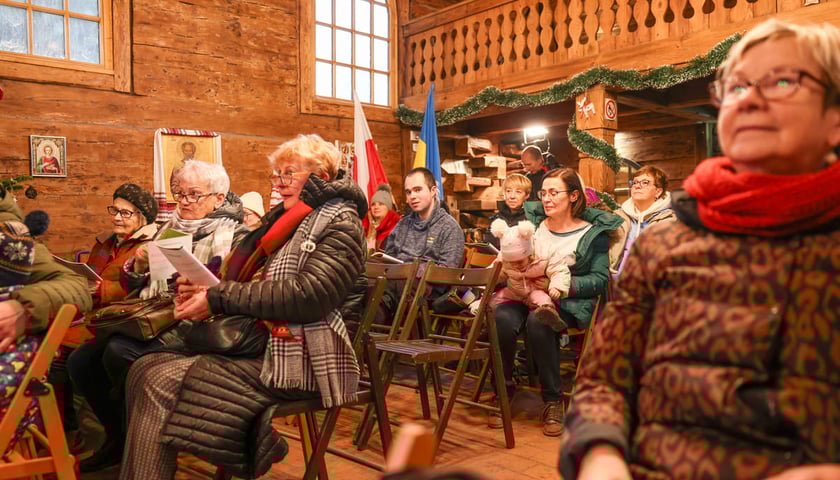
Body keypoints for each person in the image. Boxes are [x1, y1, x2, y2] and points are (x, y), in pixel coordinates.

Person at [560, 19, 840, 480]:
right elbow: (604, 379)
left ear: (834, 118)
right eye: (736, 86)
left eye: (783, 81)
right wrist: (600, 458)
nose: (748, 98)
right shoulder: (666, 244)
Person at [118, 134, 367, 479]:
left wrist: (219, 296)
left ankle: (253, 441)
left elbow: (310, 296)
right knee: (141, 369)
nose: (278, 184)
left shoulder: (341, 222)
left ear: (321, 176)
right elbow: (258, 284)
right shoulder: (285, 221)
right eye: (276, 174)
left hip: (305, 351)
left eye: (288, 174)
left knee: (159, 379)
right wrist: (208, 287)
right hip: (267, 337)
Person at [67, 160, 250, 473]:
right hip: (159, 314)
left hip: (202, 325)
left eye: (194, 195)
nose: (185, 202)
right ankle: (118, 435)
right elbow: (137, 285)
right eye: (180, 194)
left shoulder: (237, 235)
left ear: (218, 198)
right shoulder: (171, 228)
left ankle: (143, 440)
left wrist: (205, 288)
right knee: (80, 360)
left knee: (119, 352)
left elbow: (238, 292)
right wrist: (137, 264)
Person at [490, 168, 621, 436]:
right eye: (543, 193)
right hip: (525, 291)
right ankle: (503, 389)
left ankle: (552, 400)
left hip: (566, 299)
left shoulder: (592, 234)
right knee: (500, 318)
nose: (546, 199)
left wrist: (559, 287)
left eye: (553, 193)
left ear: (573, 196)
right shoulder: (535, 226)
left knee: (538, 322)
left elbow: (599, 279)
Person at [488, 218, 573, 328]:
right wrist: (483, 280)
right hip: (515, 291)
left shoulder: (544, 253)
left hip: (536, 289)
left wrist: (556, 287)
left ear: (529, 254)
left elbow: (559, 270)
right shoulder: (504, 260)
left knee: (542, 298)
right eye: (512, 262)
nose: (516, 265)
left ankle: (549, 314)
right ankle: (482, 317)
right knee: (494, 299)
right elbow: (495, 273)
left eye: (520, 261)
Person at [86, 183, 159, 306]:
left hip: (122, 316)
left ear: (143, 218)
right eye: (115, 210)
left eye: (125, 213)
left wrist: (101, 289)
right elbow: (89, 274)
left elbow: (144, 291)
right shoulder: (104, 241)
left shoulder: (151, 246)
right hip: (89, 307)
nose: (116, 218)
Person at [383, 167, 464, 268]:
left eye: (417, 190)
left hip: (424, 282)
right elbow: (387, 260)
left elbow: (447, 272)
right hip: (396, 281)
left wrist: (411, 272)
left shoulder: (450, 228)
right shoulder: (402, 224)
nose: (412, 196)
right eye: (408, 192)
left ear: (433, 191)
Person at [609, 165, 675, 278]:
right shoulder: (617, 217)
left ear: (658, 191)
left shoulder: (670, 221)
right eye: (634, 182)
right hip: (614, 285)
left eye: (645, 182)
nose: (637, 186)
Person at [483, 173, 531, 249]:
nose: (512, 196)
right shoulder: (496, 218)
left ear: (527, 195)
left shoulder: (530, 219)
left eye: (518, 192)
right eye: (508, 191)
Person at [362, 183, 400, 251]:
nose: (376, 207)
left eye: (381, 204)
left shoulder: (396, 226)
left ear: (388, 208)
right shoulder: (364, 224)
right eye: (373, 204)